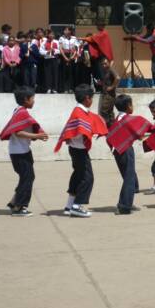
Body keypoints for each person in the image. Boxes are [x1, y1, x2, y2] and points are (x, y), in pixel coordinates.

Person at [54, 84, 108, 217]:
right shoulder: (79, 113)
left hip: (76, 149)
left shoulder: (80, 111)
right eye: (92, 98)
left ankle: (69, 205)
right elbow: (80, 127)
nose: (92, 101)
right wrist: (86, 133)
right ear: (87, 98)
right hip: (79, 150)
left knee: (78, 177)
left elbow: (90, 120)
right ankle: (77, 205)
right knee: (87, 178)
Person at [0, 86, 48, 216]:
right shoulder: (22, 112)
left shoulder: (19, 110)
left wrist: (37, 134)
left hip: (22, 151)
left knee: (26, 177)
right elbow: (18, 132)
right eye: (32, 98)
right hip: (19, 152)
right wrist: (37, 136)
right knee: (28, 178)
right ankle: (19, 207)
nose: (34, 101)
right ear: (26, 99)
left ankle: (14, 202)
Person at [107, 94, 152, 214]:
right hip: (126, 150)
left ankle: (127, 202)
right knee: (129, 177)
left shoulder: (118, 119)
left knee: (129, 176)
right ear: (128, 106)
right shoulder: (128, 119)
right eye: (131, 104)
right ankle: (124, 206)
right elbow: (142, 130)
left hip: (118, 150)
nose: (133, 107)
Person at [129, 23, 155, 87]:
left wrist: (136, 38)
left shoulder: (154, 35)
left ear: (150, 29)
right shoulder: (150, 33)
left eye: (147, 30)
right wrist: (135, 37)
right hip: (154, 54)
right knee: (153, 69)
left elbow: (147, 41)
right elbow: (144, 37)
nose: (147, 31)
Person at [82, 22, 114, 89]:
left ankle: (107, 88)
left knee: (104, 73)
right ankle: (104, 88)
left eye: (98, 25)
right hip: (98, 58)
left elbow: (93, 39)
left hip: (103, 57)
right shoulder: (100, 34)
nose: (97, 27)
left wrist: (81, 38)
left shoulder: (103, 34)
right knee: (101, 74)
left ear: (102, 26)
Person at [98, 59, 119, 127]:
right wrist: (101, 83)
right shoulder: (106, 71)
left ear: (109, 63)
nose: (104, 65)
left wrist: (112, 87)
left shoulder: (111, 69)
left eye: (105, 63)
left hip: (109, 95)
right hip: (107, 94)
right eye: (103, 64)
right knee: (110, 111)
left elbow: (118, 78)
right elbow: (108, 81)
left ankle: (107, 125)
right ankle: (112, 126)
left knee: (103, 110)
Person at [59, 26, 78, 93]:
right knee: (64, 72)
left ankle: (71, 88)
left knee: (71, 72)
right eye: (65, 30)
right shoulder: (61, 38)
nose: (66, 31)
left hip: (72, 55)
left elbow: (76, 48)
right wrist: (65, 57)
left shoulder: (74, 38)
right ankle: (65, 88)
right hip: (64, 55)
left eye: (68, 30)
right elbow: (60, 48)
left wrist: (72, 56)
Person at [40, 29, 59, 93]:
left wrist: (55, 51)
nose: (51, 35)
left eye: (52, 34)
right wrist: (47, 52)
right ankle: (48, 88)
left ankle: (55, 88)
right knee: (48, 74)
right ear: (48, 35)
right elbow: (41, 51)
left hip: (54, 59)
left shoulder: (56, 42)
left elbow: (60, 50)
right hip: (47, 59)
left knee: (55, 74)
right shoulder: (44, 42)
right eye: (50, 34)